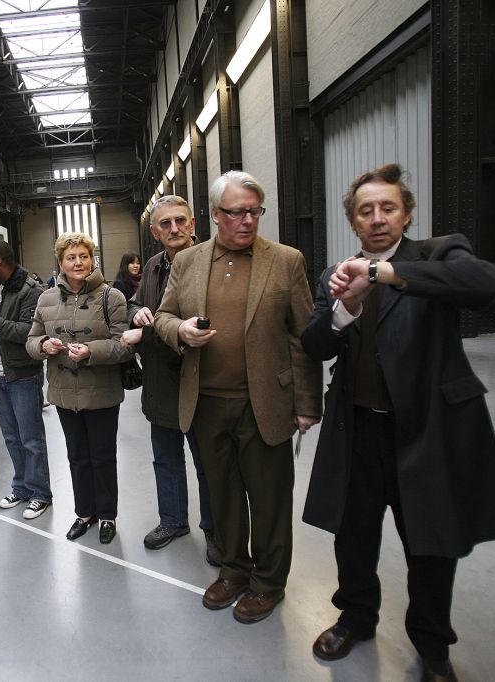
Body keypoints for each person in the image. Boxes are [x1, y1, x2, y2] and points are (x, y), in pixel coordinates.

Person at [300, 164, 495, 681]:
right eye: (366, 211)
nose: (377, 218)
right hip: (359, 431)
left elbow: (488, 282)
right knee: (353, 535)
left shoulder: (439, 255)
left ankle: (433, 645)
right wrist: (344, 310)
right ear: (353, 221)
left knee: (431, 542)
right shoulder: (336, 275)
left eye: (388, 208)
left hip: (426, 431)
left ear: (406, 214)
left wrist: (385, 274)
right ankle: (356, 617)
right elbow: (314, 344)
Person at [155, 170, 322, 623]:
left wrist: (307, 404)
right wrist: (181, 330)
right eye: (236, 212)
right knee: (223, 495)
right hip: (206, 402)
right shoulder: (188, 262)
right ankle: (233, 570)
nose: (247, 220)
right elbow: (164, 316)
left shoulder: (285, 261)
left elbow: (303, 335)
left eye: (254, 211)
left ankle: (268, 582)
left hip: (264, 402)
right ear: (215, 215)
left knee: (269, 499)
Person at [121, 196, 218, 563]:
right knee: (166, 458)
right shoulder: (152, 266)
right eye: (166, 223)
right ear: (154, 231)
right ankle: (173, 520)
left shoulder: (210, 263)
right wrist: (136, 312)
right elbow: (135, 302)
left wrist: (143, 334)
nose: (174, 228)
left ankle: (214, 530)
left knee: (207, 463)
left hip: (200, 380)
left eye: (180, 221)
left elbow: (201, 324)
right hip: (161, 382)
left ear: (192, 224)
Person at [26, 232, 132, 544]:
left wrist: (90, 351)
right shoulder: (46, 299)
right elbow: (31, 340)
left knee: (103, 456)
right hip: (63, 393)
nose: (78, 262)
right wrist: (44, 345)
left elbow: (124, 345)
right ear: (60, 262)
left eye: (83, 256)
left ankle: (107, 515)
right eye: (71, 257)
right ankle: (84, 513)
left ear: (92, 259)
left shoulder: (112, 297)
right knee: (77, 457)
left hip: (102, 393)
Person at [0, 240, 52, 520]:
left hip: (23, 375)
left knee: (31, 439)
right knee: (11, 438)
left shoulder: (31, 291)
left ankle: (40, 493)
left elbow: (27, 332)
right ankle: (21, 488)